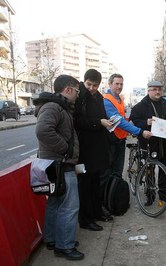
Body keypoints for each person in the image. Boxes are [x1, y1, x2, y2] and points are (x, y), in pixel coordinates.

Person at [34, 75, 83, 260]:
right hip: (60, 164)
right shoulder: (53, 107)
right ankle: (65, 246)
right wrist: (66, 150)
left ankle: (53, 239)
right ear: (68, 90)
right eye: (77, 91)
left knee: (55, 203)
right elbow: (42, 131)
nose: (78, 95)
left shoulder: (57, 106)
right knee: (69, 206)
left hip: (55, 164)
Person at [74, 69, 114, 231]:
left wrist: (108, 121)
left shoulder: (99, 97)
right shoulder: (79, 97)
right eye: (88, 84)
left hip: (97, 147)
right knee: (85, 186)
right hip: (84, 149)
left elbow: (101, 115)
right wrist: (99, 122)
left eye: (95, 85)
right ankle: (86, 219)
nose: (91, 88)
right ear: (84, 82)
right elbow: (78, 121)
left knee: (96, 183)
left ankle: (97, 211)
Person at [130, 81, 166, 205]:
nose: (157, 92)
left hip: (164, 142)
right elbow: (133, 121)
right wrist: (146, 122)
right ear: (149, 91)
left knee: (164, 169)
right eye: (154, 89)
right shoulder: (141, 105)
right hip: (149, 143)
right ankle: (150, 196)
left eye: (159, 90)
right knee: (149, 169)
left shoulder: (165, 103)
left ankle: (163, 195)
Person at [103, 74, 152, 178]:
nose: (119, 86)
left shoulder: (119, 98)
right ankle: (112, 193)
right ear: (110, 84)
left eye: (121, 84)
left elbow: (122, 117)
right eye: (117, 84)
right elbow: (118, 121)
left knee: (118, 170)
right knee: (112, 172)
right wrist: (139, 131)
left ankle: (117, 190)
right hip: (112, 140)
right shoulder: (107, 100)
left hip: (121, 138)